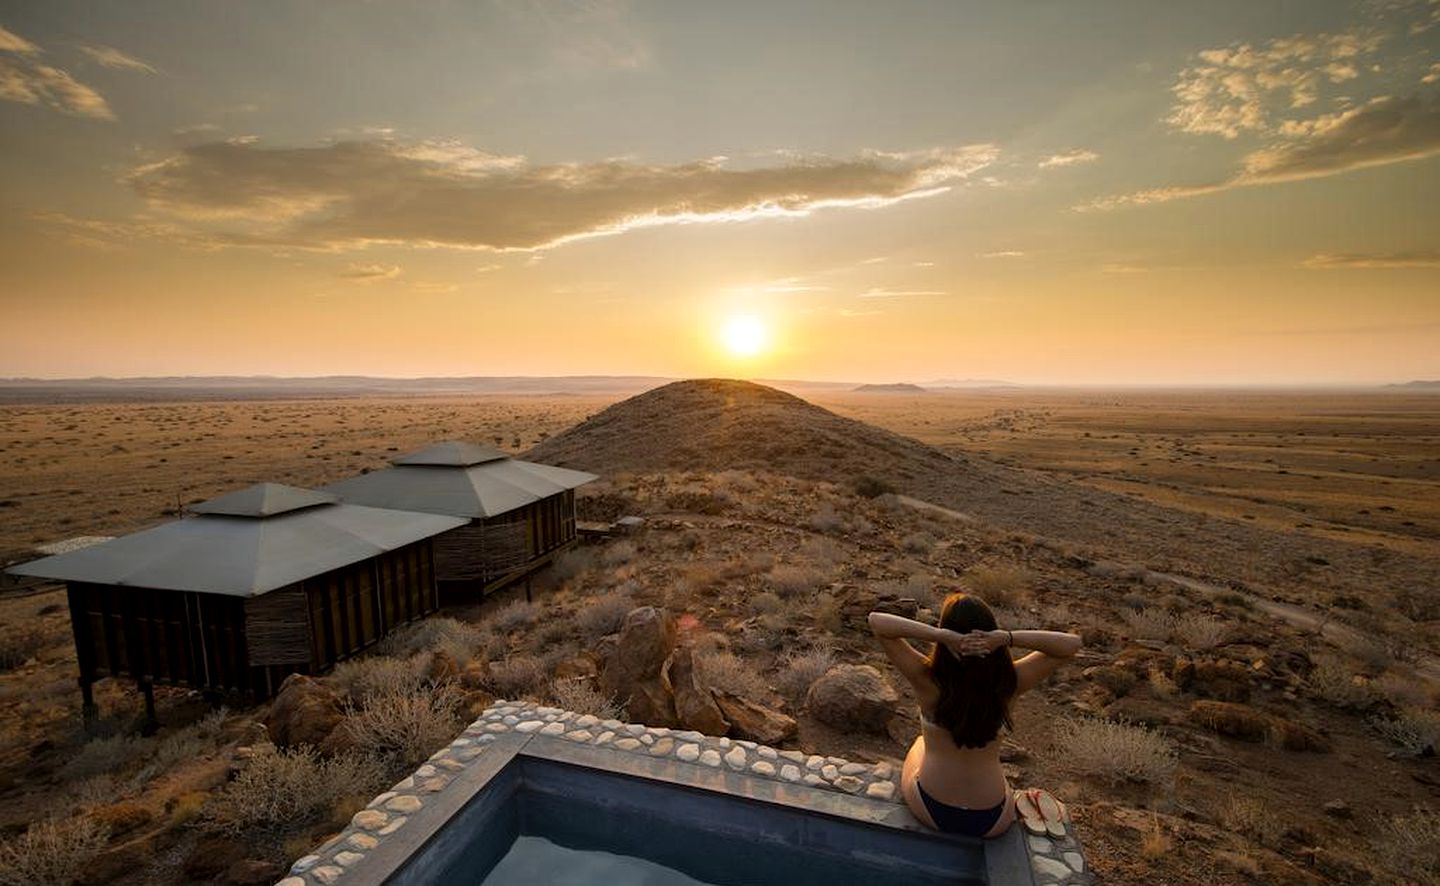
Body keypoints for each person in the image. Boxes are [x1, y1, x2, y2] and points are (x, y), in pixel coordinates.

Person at [868, 592, 1081, 838]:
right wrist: (1006, 638)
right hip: (992, 817)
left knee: (920, 744)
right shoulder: (1010, 682)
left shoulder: (927, 679)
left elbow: (877, 621)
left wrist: (941, 636)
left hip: (932, 808)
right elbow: (1071, 644)